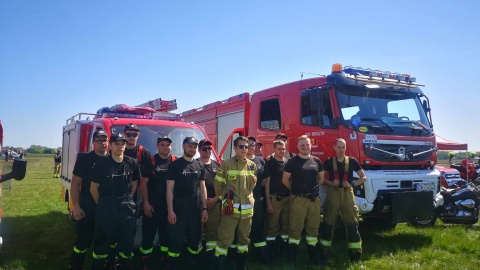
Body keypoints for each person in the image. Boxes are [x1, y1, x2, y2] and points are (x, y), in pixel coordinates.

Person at [90, 133, 140, 270]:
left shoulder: (132, 163)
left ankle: (124, 266)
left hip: (126, 206)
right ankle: (100, 265)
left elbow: (134, 184)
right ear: (110, 145)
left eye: (122, 143)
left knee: (126, 239)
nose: (120, 146)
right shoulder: (101, 164)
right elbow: (93, 189)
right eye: (117, 143)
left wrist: (127, 199)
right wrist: (103, 204)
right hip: (107, 206)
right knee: (103, 239)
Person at [320, 138, 367, 267]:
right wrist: (330, 183)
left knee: (352, 224)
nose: (341, 150)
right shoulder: (329, 162)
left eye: (343, 147)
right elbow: (321, 179)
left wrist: (352, 183)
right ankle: (324, 256)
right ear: (334, 148)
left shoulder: (352, 161)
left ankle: (356, 258)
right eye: (339, 147)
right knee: (328, 223)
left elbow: (364, 177)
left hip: (347, 194)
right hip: (333, 194)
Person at [214, 136, 257, 270]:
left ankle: (241, 266)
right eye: (241, 146)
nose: (244, 149)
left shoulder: (252, 165)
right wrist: (223, 199)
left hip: (247, 212)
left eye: (246, 146)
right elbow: (218, 184)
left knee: (244, 240)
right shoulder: (226, 164)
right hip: (230, 210)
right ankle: (220, 266)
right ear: (235, 148)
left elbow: (252, 186)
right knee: (224, 240)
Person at [69, 129, 109, 270]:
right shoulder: (85, 159)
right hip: (87, 206)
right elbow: (75, 184)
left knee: (103, 239)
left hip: (105, 207)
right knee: (84, 239)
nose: (103, 144)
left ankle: (98, 266)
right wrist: (76, 207)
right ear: (93, 143)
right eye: (99, 141)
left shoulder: (112, 158)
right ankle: (76, 264)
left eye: (105, 140)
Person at [166, 137, 208, 270]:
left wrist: (205, 208)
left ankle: (192, 264)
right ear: (184, 146)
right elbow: (169, 189)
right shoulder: (175, 165)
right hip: (179, 207)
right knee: (176, 240)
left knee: (194, 238)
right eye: (190, 146)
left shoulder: (199, 165)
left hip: (194, 207)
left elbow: (202, 187)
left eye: (195, 147)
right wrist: (170, 210)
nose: (192, 149)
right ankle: (173, 266)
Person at [281, 135, 324, 266]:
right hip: (298, 200)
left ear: (311, 145)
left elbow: (321, 179)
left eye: (307, 144)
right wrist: (295, 191)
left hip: (314, 200)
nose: (305, 147)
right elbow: (285, 180)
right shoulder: (293, 161)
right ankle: (292, 259)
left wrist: (314, 190)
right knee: (295, 229)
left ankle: (314, 259)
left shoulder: (316, 160)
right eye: (302, 145)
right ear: (298, 147)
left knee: (313, 230)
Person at [139, 136, 176, 270]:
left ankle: (164, 257)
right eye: (162, 145)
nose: (165, 147)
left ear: (171, 146)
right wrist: (146, 203)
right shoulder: (151, 161)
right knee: (148, 234)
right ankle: (145, 259)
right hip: (152, 206)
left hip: (168, 207)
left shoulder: (175, 161)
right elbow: (143, 184)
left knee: (166, 234)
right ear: (157, 146)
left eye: (168, 145)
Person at [197, 139, 221, 269]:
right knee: (198, 233)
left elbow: (224, 185)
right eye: (205, 148)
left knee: (212, 235)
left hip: (214, 204)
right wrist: (204, 202)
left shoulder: (217, 165)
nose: (208, 151)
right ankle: (199, 262)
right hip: (198, 205)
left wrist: (216, 199)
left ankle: (211, 262)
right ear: (199, 150)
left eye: (209, 148)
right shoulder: (194, 164)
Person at [265, 140, 290, 261]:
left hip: (287, 198)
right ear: (274, 149)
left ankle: (284, 252)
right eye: (279, 149)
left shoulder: (288, 162)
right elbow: (267, 183)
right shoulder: (270, 163)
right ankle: (271, 255)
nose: (282, 151)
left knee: (286, 227)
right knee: (272, 227)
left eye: (283, 148)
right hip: (275, 198)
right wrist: (268, 202)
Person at [246, 136, 271, 265]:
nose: (252, 147)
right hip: (243, 203)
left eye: (253, 144)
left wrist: (267, 201)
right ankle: (242, 258)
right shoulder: (240, 161)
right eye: (249, 144)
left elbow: (266, 181)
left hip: (258, 201)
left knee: (258, 228)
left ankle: (261, 256)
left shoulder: (261, 161)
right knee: (244, 230)